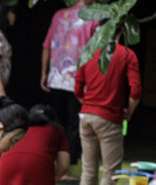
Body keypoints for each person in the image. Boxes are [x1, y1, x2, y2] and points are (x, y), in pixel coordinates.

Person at [75, 31, 142, 185]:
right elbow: (136, 90)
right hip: (110, 119)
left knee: (88, 170)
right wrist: (128, 112)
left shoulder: (88, 52)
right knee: (110, 171)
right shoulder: (126, 54)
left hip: (86, 117)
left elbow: (78, 88)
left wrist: (89, 105)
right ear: (121, 32)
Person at [41, 0, 99, 172]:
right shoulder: (94, 18)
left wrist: (44, 73)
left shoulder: (59, 15)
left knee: (56, 121)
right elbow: (96, 51)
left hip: (56, 76)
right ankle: (70, 162)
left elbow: (46, 46)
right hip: (79, 80)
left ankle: (52, 157)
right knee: (75, 123)